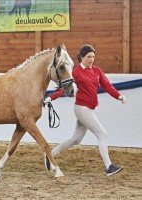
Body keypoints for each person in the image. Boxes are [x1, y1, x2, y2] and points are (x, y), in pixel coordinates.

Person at [43, 44, 126, 176]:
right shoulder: (76, 72)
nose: (91, 59)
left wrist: (118, 96)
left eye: (93, 56)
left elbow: (108, 86)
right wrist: (50, 98)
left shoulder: (97, 71)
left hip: (88, 109)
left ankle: (50, 154)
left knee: (76, 140)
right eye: (88, 57)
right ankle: (108, 167)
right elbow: (64, 88)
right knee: (102, 135)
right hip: (81, 109)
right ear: (81, 57)